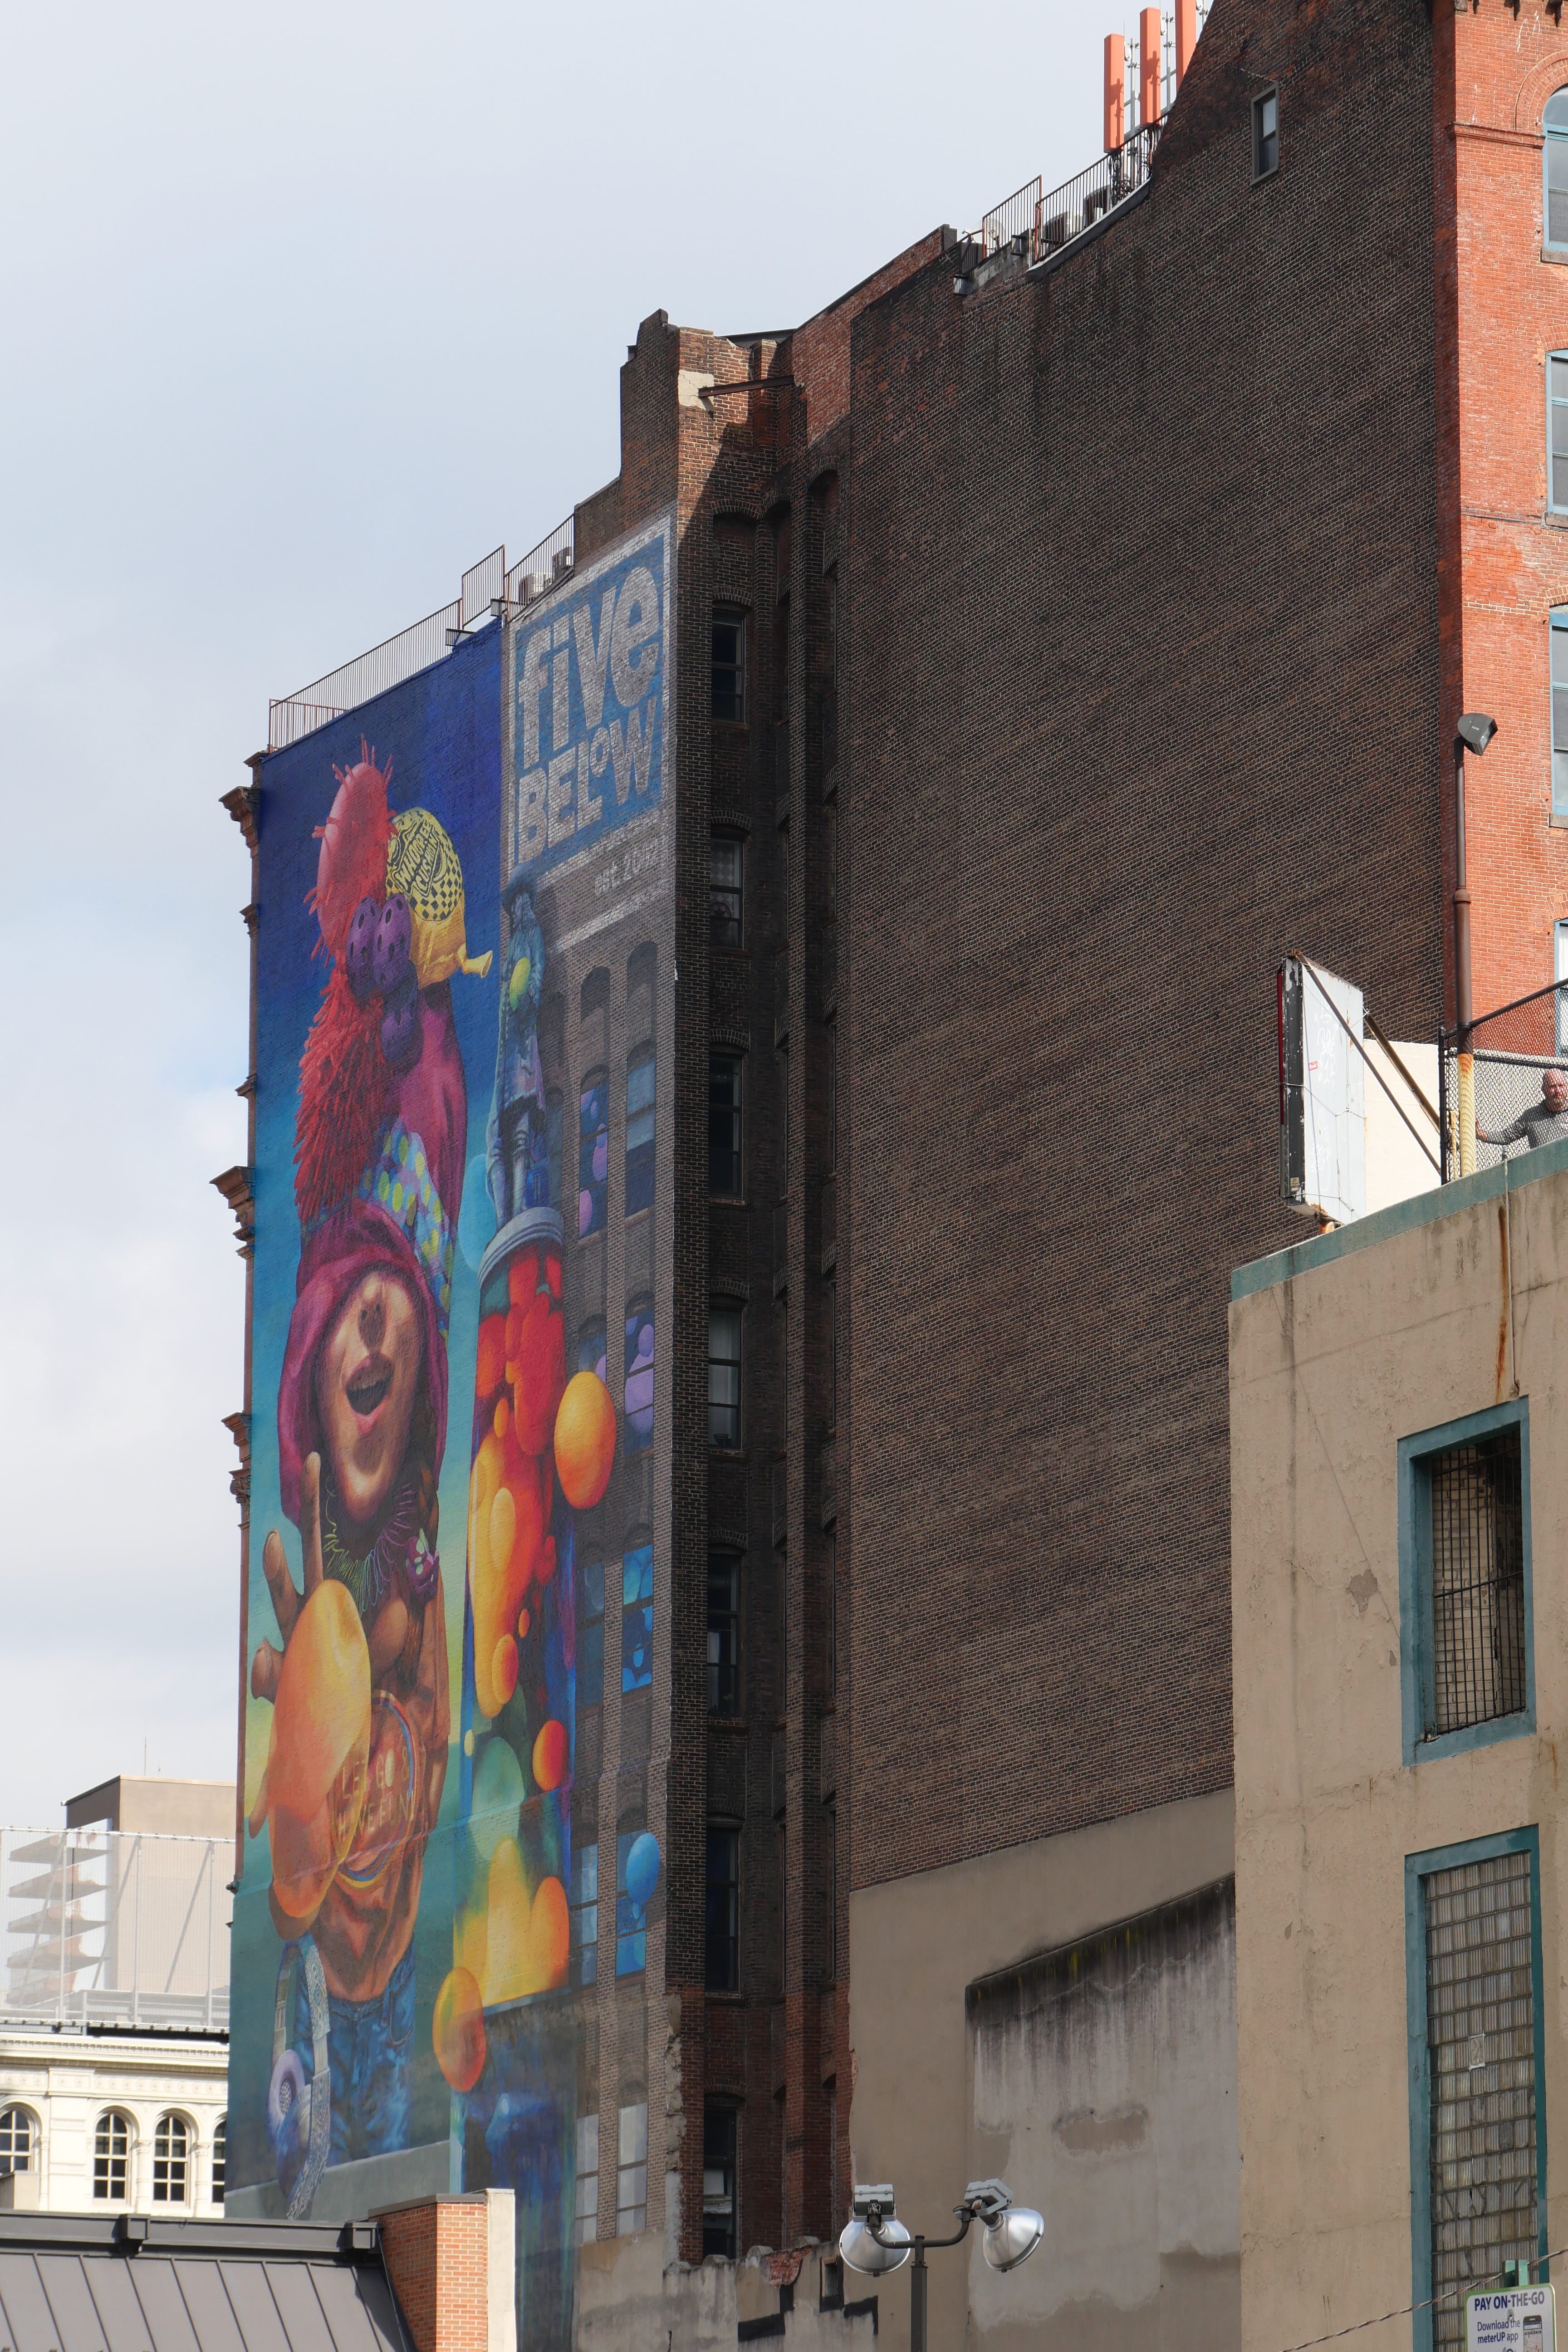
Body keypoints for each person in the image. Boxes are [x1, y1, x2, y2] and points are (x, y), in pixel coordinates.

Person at [1478, 1066, 1568, 1151]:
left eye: (1561, 1086)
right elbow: (1505, 1136)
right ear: (1544, 1089)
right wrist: (1479, 1134)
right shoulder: (1531, 1116)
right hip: (1541, 1162)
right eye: (1552, 1087)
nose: (1558, 1091)